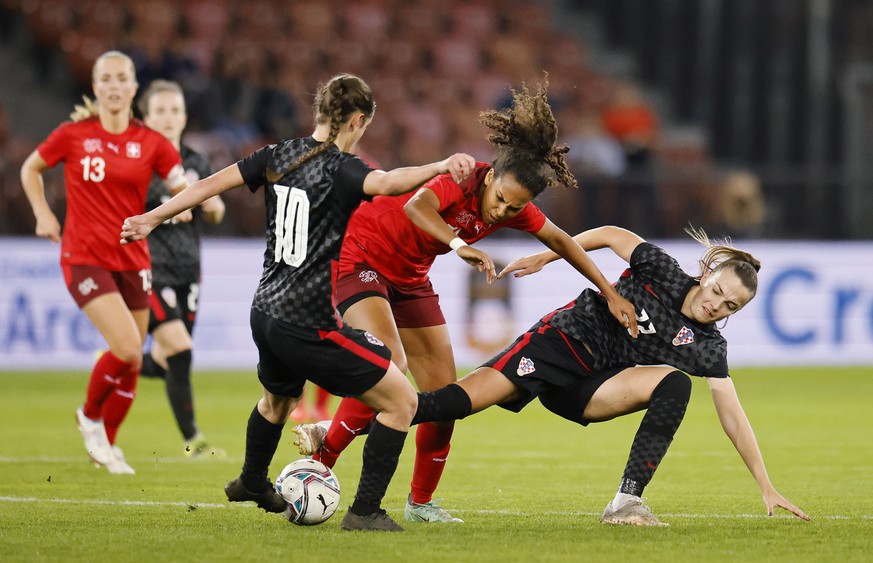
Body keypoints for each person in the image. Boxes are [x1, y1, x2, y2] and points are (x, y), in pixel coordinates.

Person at [120, 73, 476, 532]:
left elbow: (211, 184)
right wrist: (441, 164)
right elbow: (388, 182)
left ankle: (251, 480)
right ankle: (365, 512)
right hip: (308, 324)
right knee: (402, 401)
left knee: (278, 401)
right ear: (356, 120)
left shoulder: (277, 155)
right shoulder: (342, 168)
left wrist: (151, 218)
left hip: (264, 310)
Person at [292, 79, 639, 524]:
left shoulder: (514, 203)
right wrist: (459, 246)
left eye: (515, 209)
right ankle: (323, 460)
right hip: (360, 258)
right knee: (389, 363)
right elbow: (417, 207)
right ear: (490, 176)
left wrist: (609, 293)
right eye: (499, 200)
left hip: (411, 277)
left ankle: (420, 505)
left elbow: (563, 240)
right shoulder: (460, 177)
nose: (501, 213)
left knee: (445, 396)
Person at [309, 225, 812, 526]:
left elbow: (733, 415)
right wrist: (551, 254)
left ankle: (626, 502)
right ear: (707, 275)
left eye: (731, 305)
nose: (716, 303)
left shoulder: (708, 346)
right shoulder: (661, 270)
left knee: (674, 383)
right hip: (560, 344)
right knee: (449, 404)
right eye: (718, 289)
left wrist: (766, 485)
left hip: (591, 389)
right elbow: (613, 236)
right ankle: (332, 434)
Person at [20, 51, 187, 475]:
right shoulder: (73, 134)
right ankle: (90, 416)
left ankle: (107, 447)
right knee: (127, 347)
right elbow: (30, 169)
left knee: (132, 359)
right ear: (96, 88)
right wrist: (42, 212)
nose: (114, 86)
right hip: (85, 256)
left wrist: (182, 203)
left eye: (122, 78)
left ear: (134, 88)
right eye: (106, 79)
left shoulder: (153, 142)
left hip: (133, 258)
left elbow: (178, 180)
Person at [138, 79, 227, 458]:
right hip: (149, 269)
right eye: (160, 110)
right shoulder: (136, 163)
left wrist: (209, 208)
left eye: (175, 110)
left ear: (185, 117)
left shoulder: (195, 161)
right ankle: (194, 440)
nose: (169, 117)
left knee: (169, 358)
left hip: (189, 268)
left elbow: (218, 209)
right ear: (144, 117)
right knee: (181, 348)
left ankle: (120, 360)